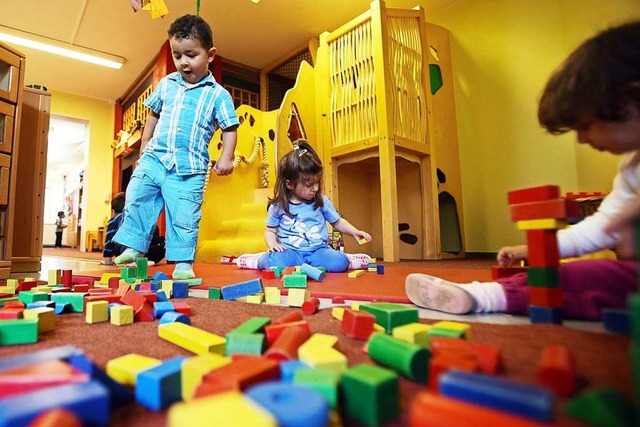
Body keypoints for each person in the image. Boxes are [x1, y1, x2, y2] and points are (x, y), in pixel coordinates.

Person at [405, 21, 640, 320]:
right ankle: (483, 294)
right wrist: (535, 249)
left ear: (633, 102)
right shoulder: (631, 168)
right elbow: (598, 230)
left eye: (585, 126)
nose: (581, 139)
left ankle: (487, 295)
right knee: (583, 275)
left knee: (602, 280)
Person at [112, 14, 239, 279]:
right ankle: (135, 245)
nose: (183, 62)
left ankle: (182, 262)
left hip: (189, 168)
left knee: (184, 214)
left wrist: (227, 157)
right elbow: (154, 114)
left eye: (191, 55)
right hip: (155, 159)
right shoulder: (167, 84)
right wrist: (145, 142)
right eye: (177, 55)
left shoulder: (218, 95)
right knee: (136, 194)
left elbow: (229, 128)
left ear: (210, 54)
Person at [236, 140, 372, 272]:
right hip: (291, 253)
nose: (315, 188)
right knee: (276, 263)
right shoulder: (278, 206)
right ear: (290, 184)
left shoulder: (321, 201)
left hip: (318, 251)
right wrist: (273, 245)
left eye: (317, 182)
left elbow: (338, 222)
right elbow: (270, 231)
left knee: (339, 263)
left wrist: (354, 231)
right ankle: (258, 259)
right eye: (309, 185)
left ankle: (347, 259)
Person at [102, 192, 165, 266]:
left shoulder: (114, 219)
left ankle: (134, 261)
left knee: (120, 242)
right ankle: (147, 260)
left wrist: (107, 260)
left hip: (127, 250)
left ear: (113, 210)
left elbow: (109, 241)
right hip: (151, 252)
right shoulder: (141, 216)